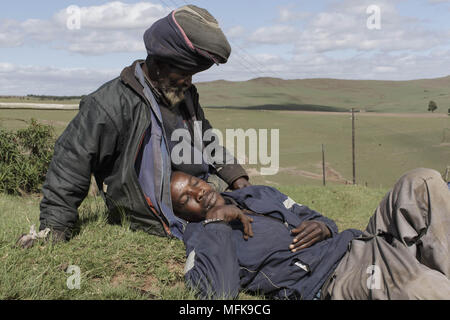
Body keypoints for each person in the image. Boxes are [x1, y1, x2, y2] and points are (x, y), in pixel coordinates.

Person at [17, 5, 250, 248]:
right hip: (154, 209)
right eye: (184, 73)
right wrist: (54, 227)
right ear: (159, 64)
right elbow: (71, 159)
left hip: (203, 194)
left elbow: (206, 139)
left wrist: (235, 176)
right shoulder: (110, 104)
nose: (188, 82)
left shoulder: (184, 94)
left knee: (266, 209)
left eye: (192, 75)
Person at [170, 169, 450, 300]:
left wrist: (325, 226)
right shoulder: (202, 236)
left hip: (360, 242)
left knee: (422, 181)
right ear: (183, 215)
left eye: (196, 183)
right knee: (420, 287)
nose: (199, 193)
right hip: (337, 274)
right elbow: (218, 295)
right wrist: (218, 221)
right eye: (186, 199)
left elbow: (314, 216)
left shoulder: (258, 193)